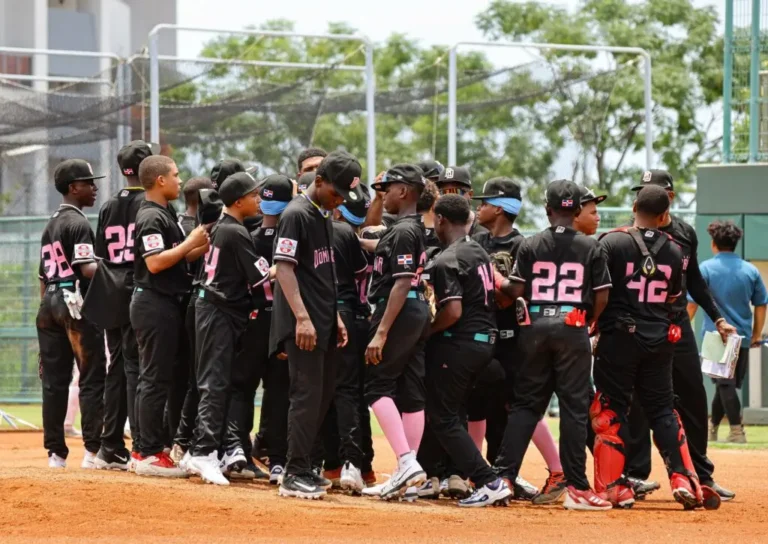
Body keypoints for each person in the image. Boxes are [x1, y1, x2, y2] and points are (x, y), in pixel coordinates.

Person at [593, 185, 720, 511]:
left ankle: (615, 487)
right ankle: (683, 477)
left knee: (611, 410)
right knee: (664, 409)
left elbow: (599, 291)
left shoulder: (611, 241)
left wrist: (593, 327)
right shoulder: (675, 249)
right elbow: (675, 298)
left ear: (634, 206)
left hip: (619, 339)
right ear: (665, 216)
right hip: (660, 340)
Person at [495, 179, 612, 511]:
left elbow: (515, 290)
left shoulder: (531, 244)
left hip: (534, 326)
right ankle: (576, 487)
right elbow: (602, 294)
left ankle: (502, 478)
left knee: (526, 406)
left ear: (548, 210)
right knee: (575, 409)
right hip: (572, 324)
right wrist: (592, 321)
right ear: (576, 211)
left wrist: (496, 278)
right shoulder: (591, 246)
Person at [624, 170, 738, 502]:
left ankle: (702, 475)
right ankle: (635, 474)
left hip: (676, 324)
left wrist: (717, 317)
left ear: (668, 197)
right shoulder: (628, 235)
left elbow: (696, 283)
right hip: (641, 326)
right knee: (638, 401)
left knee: (693, 398)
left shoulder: (684, 234)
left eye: (652, 191)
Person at [270, 150, 359, 499]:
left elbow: (323, 272)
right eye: (336, 192)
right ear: (318, 181)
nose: (339, 200)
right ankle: (293, 473)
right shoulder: (296, 214)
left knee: (322, 397)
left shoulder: (323, 214)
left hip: (323, 318)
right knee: (306, 397)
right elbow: (285, 269)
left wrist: (333, 315)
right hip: (303, 323)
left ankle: (305, 466)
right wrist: (303, 319)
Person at [472, 177, 560, 503]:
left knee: (519, 405)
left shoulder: (522, 245)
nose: (478, 208)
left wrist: (495, 286)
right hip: (484, 335)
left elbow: (513, 296)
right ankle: (480, 473)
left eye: (484, 203)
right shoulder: (477, 240)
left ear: (499, 208)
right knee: (480, 404)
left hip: (514, 339)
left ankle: (554, 470)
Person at [424, 194, 511, 507]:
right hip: (486, 343)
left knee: (443, 417)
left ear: (441, 220)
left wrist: (427, 332)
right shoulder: (478, 251)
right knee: (453, 412)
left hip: (460, 343)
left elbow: (452, 312)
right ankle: (473, 477)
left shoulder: (448, 258)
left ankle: (488, 480)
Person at [184, 172, 270, 486]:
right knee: (215, 383)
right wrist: (283, 265)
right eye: (253, 195)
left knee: (213, 381)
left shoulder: (222, 226)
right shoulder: (235, 231)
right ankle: (205, 453)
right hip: (217, 310)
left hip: (214, 307)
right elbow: (261, 276)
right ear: (238, 201)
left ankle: (200, 449)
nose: (258, 200)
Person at [131, 155, 209, 478]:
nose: (180, 180)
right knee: (153, 378)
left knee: (157, 378)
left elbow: (175, 257)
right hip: (153, 303)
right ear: (160, 180)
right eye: (175, 175)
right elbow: (155, 263)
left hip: (163, 302)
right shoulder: (150, 216)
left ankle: (147, 446)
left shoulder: (167, 213)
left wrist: (200, 245)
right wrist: (190, 242)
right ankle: (147, 452)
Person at [365, 164, 431, 500]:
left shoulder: (405, 230)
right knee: (410, 388)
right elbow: (387, 256)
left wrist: (381, 332)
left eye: (388, 188)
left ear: (404, 191)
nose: (384, 194)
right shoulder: (408, 228)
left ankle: (406, 463)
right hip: (416, 310)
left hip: (400, 310)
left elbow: (401, 280)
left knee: (376, 384)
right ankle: (410, 472)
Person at [37, 159, 107, 469]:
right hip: (73, 299)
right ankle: (92, 452)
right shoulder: (78, 223)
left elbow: (42, 276)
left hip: (49, 302)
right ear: (72, 188)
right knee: (91, 376)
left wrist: (47, 313)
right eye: (88, 182)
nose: (94, 187)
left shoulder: (50, 224)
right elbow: (86, 269)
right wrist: (116, 267)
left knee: (53, 381)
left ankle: (55, 454)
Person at [90, 140, 151, 470]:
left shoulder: (109, 205)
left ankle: (110, 444)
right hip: (139, 288)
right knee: (138, 368)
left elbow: (101, 255)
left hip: (110, 290)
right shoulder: (151, 203)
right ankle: (143, 445)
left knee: (118, 367)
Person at [235, 174, 293, 482]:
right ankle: (278, 459)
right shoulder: (294, 236)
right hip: (281, 321)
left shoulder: (248, 235)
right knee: (279, 391)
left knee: (243, 388)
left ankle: (241, 452)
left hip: (253, 319)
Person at [688, 220, 767, 444]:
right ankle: (722, 429)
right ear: (735, 245)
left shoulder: (705, 268)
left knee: (725, 385)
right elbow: (762, 303)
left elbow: (692, 305)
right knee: (727, 385)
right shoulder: (750, 270)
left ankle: (730, 430)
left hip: (715, 337)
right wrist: (756, 334)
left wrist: (682, 329)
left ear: (714, 244)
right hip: (741, 337)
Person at [319, 188, 373, 493]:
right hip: (355, 316)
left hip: (332, 312)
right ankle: (359, 466)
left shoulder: (330, 229)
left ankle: (339, 463)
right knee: (351, 393)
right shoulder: (356, 237)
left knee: (328, 391)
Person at [434, 166, 488, 237]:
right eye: (443, 192)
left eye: (454, 191)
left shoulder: (484, 228)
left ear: (470, 194)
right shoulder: (437, 228)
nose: (449, 197)